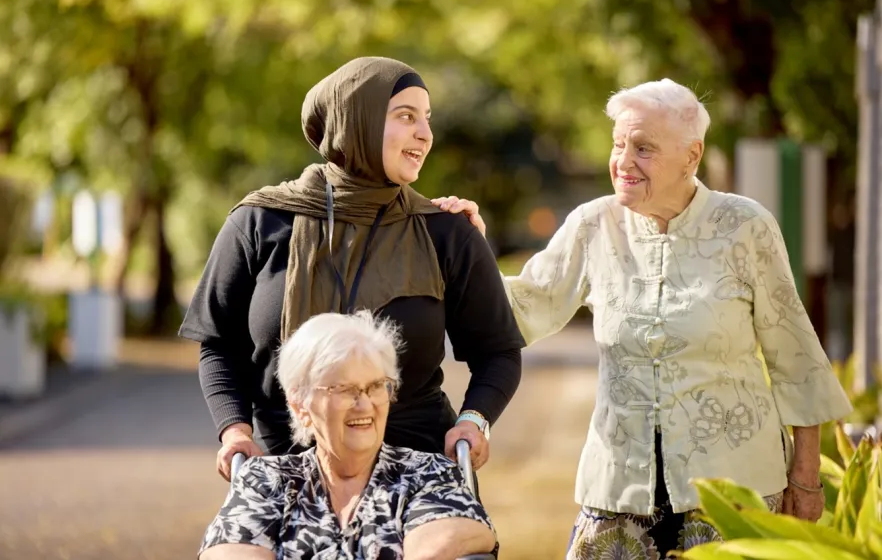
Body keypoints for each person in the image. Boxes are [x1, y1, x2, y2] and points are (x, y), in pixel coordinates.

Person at [432, 78, 853, 558]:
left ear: (692, 157)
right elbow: (525, 306)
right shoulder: (594, 225)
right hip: (620, 489)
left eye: (644, 148)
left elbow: (793, 353)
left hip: (733, 492)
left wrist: (805, 477)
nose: (624, 161)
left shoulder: (745, 227)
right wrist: (470, 250)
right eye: (618, 144)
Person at [179, 57, 524, 482]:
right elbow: (218, 344)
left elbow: (499, 352)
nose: (426, 134)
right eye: (405, 116)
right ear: (355, 121)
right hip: (283, 470)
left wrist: (473, 420)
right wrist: (234, 430)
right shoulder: (258, 221)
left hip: (415, 472)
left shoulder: (446, 232)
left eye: (427, 119)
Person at [198, 310, 498, 560]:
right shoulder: (266, 480)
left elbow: (460, 532)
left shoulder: (427, 473)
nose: (364, 403)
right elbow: (229, 552)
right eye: (344, 389)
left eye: (376, 386)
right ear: (300, 405)